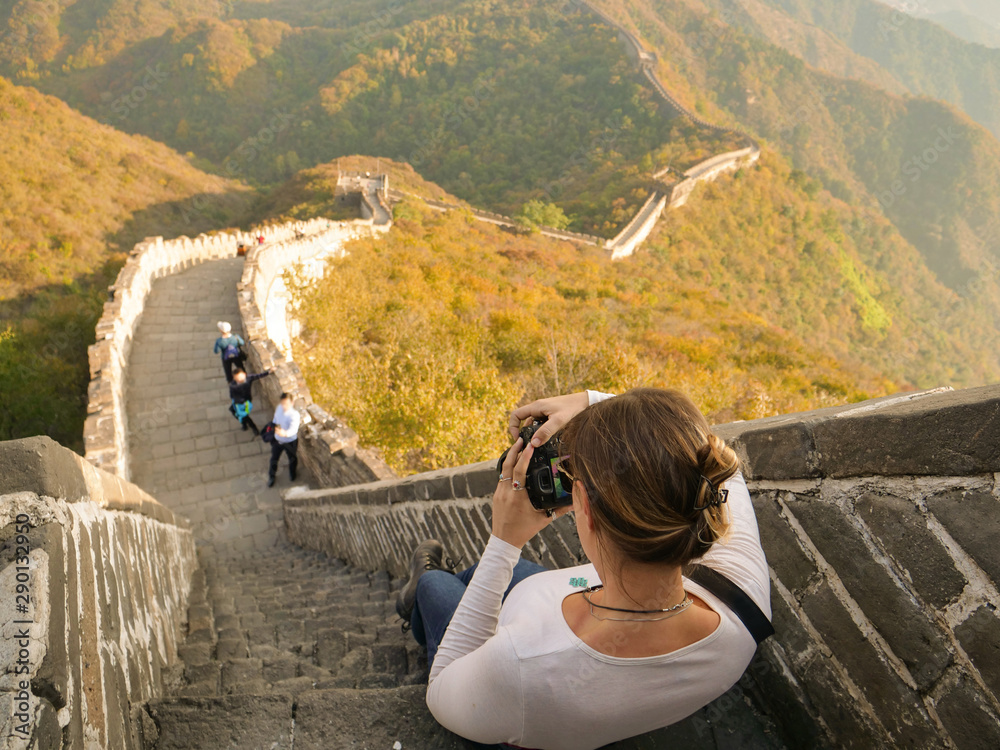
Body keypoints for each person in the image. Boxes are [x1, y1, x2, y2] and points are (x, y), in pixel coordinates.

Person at [395, 388, 771, 750]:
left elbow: (441, 689)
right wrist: (589, 404)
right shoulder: (742, 591)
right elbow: (696, 445)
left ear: (584, 509)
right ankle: (449, 582)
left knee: (434, 587)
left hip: (506, 702)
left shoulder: (521, 667)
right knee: (481, 574)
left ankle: (419, 596)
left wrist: (503, 542)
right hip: (557, 598)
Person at [268, 392, 300, 487]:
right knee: (274, 458)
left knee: (292, 459)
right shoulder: (279, 408)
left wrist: (285, 433)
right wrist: (272, 426)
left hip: (290, 442)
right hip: (278, 440)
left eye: (286, 404)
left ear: (292, 403)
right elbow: (275, 419)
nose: (284, 406)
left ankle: (292, 473)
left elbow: (294, 430)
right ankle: (272, 476)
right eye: (282, 403)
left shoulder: (295, 415)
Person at [228, 368, 271, 436]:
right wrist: (240, 401)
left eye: (241, 376)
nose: (240, 379)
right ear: (234, 378)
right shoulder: (233, 386)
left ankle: (253, 427)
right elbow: (232, 396)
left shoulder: (249, 378)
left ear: (244, 374)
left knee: (245, 416)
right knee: (233, 411)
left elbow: (259, 375)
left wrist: (269, 371)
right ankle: (243, 422)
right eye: (237, 378)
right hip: (238, 402)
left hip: (247, 401)